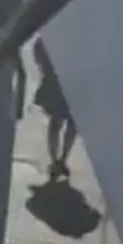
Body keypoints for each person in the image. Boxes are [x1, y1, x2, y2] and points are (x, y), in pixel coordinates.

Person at [34, 40, 78, 181]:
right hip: (60, 80)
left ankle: (60, 160)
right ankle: (58, 160)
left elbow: (38, 49)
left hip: (69, 80)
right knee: (62, 122)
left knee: (67, 123)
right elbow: (39, 49)